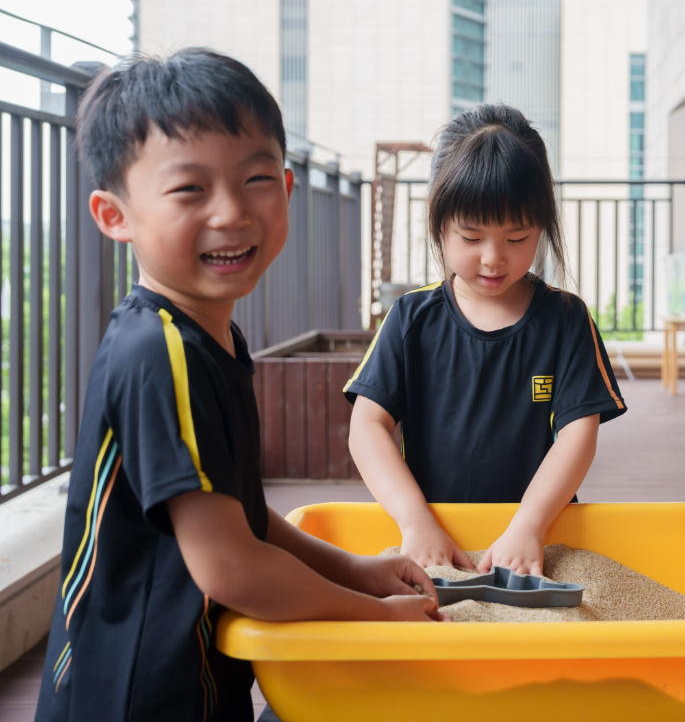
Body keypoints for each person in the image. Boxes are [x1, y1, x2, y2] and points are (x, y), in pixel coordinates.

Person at [35, 48, 441, 722]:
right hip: (135, 696)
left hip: (189, 678)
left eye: (254, 179)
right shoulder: (158, 353)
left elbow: (239, 516)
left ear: (285, 190)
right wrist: (373, 614)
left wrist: (356, 568)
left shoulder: (205, 336)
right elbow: (230, 567)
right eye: (190, 189)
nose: (231, 212)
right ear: (115, 216)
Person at [345, 104, 627, 577]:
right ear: (440, 224)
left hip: (539, 537)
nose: (493, 259)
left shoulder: (566, 319)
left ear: (542, 225)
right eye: (471, 237)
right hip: (434, 539)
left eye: (517, 238)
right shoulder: (412, 318)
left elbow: (578, 435)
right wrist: (415, 521)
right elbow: (367, 426)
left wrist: (529, 525)